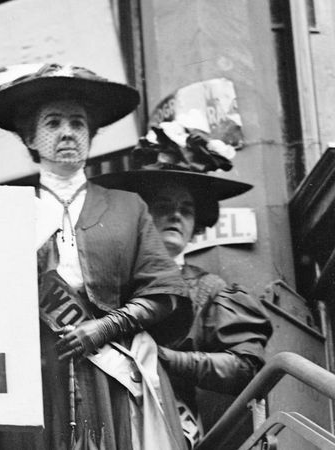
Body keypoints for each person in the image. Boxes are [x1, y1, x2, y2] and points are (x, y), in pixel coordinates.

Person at [0, 63, 192, 449]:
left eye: (78, 123)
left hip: (112, 372)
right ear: (31, 139)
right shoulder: (4, 211)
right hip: (33, 375)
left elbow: (164, 293)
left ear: (91, 135)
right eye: (53, 123)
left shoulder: (127, 207)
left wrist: (105, 327)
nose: (67, 132)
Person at [91, 121, 273, 447]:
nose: (176, 215)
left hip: (170, 425)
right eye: (164, 206)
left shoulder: (209, 290)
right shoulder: (107, 277)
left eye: (186, 210)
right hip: (104, 417)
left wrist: (166, 359)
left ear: (196, 225)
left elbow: (246, 366)